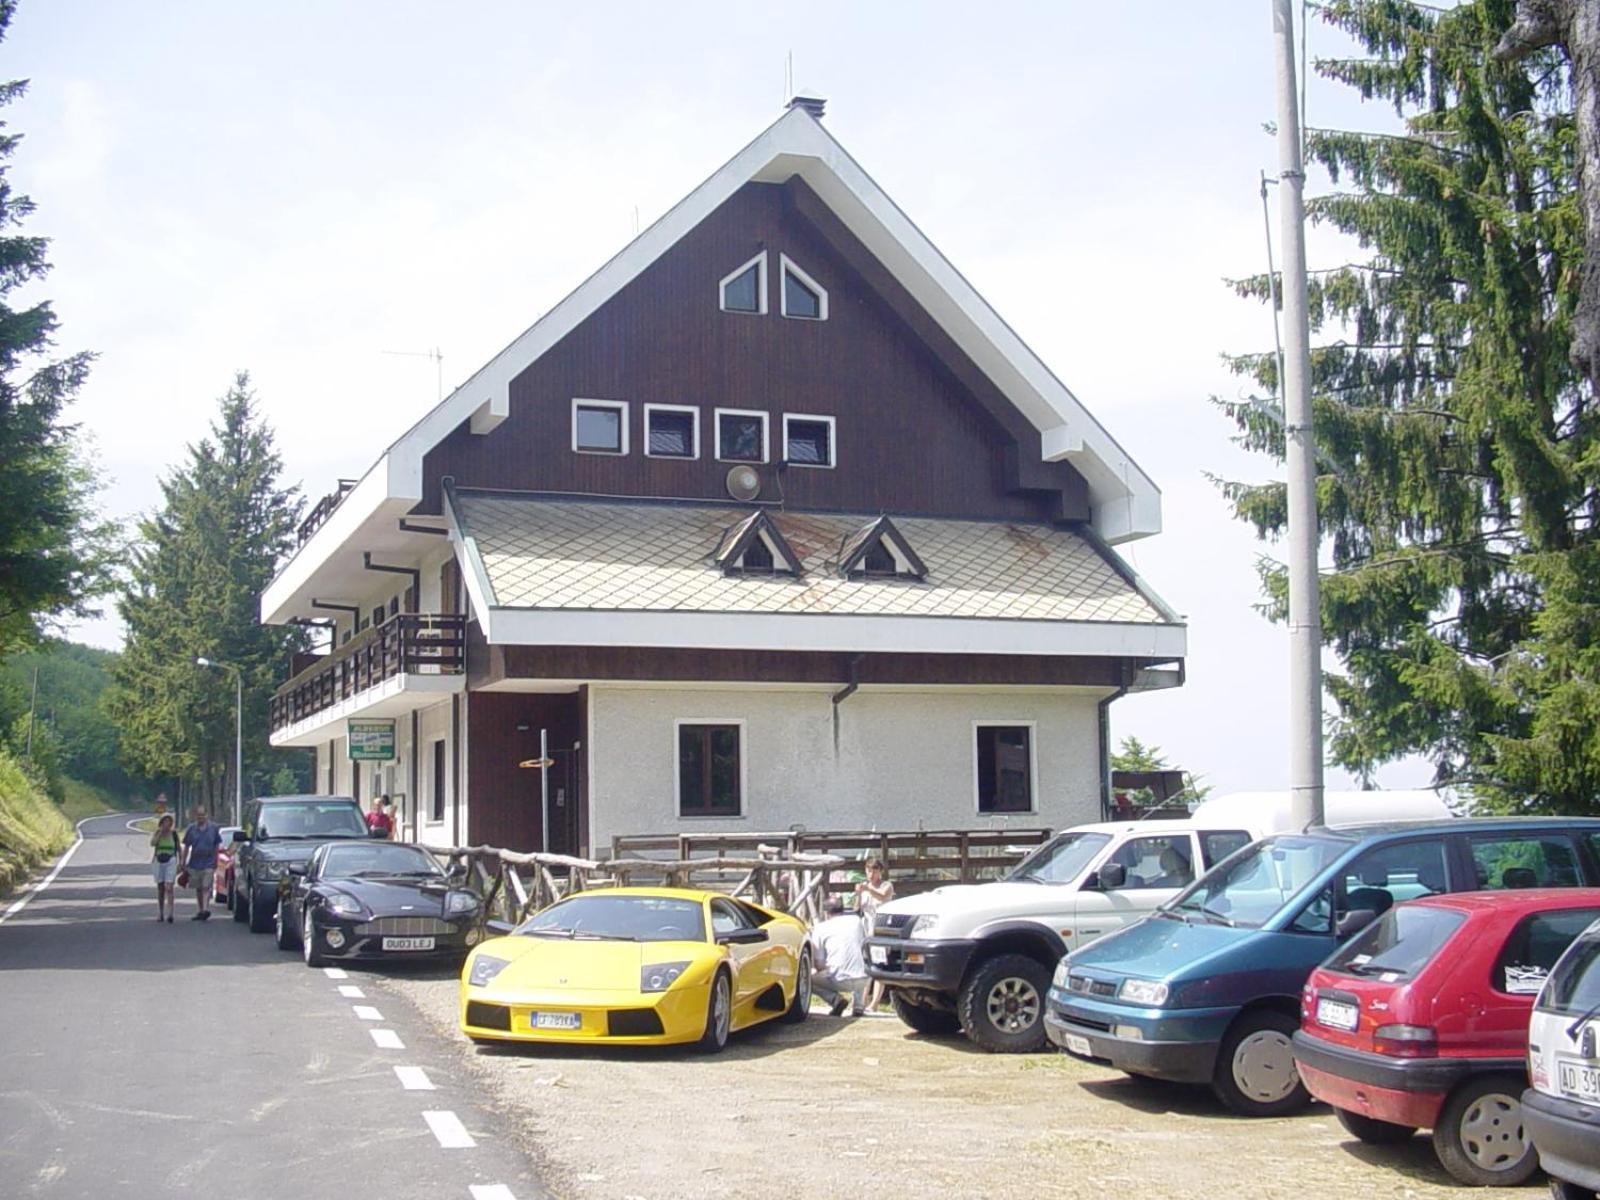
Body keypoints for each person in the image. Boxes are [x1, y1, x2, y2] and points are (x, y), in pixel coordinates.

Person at [809, 900, 869, 1017]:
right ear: (843, 910)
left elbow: (819, 964)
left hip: (840, 979)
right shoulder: (856, 921)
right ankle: (858, 1005)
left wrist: (828, 965)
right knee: (857, 959)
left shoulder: (820, 928)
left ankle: (835, 999)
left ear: (826, 913)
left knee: (807, 980)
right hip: (865, 979)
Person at [854, 857, 894, 1011]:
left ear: (880, 872)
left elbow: (883, 896)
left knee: (879, 967)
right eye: (869, 870)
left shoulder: (886, 885)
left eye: (875, 871)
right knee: (866, 967)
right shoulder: (865, 888)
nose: (871, 874)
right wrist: (858, 894)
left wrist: (867, 889)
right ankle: (862, 1001)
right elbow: (857, 908)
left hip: (881, 931)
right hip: (866, 931)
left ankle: (875, 1003)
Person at [180, 807, 224, 921]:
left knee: (206, 887)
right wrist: (183, 862)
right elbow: (186, 846)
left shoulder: (213, 828)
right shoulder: (191, 829)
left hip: (208, 862)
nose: (201, 817)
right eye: (199, 815)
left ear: (207, 815)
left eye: (203, 815)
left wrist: (215, 860)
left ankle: (205, 909)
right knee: (198, 888)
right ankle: (200, 910)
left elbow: (216, 845)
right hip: (195, 863)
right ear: (195, 816)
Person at [149, 814, 180, 922]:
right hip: (159, 861)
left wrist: (181, 863)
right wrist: (160, 833)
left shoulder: (174, 834)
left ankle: (170, 913)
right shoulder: (158, 833)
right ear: (161, 823)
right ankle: (160, 912)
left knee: (169, 887)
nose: (167, 824)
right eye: (165, 822)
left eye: (169, 822)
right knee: (160, 887)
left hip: (170, 860)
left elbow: (179, 849)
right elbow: (152, 843)